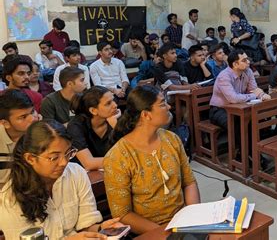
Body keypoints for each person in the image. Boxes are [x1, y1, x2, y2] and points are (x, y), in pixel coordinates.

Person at [0, 120, 123, 239]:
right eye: (54, 157)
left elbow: (86, 226)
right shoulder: (10, 198)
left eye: (68, 153)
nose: (64, 163)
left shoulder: (76, 173)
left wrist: (101, 228)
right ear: (30, 158)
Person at [104, 86, 200, 234]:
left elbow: (189, 182)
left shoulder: (171, 139)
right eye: (162, 104)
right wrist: (166, 233)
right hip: (149, 231)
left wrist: (193, 217)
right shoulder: (118, 156)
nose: (169, 106)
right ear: (146, 115)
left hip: (182, 222)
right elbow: (122, 214)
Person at [209, 49, 270, 141]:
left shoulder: (248, 71)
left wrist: (262, 95)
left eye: (247, 59)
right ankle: (245, 153)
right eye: (244, 60)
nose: (248, 62)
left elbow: (253, 89)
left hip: (239, 107)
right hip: (219, 110)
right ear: (235, 64)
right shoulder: (224, 76)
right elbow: (233, 98)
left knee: (256, 120)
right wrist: (253, 96)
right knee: (238, 125)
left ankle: (251, 151)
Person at [67, 86, 119, 171]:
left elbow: (134, 151)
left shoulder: (116, 120)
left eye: (113, 100)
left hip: (112, 170)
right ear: (93, 111)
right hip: (85, 176)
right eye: (108, 103)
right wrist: (125, 161)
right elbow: (89, 163)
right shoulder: (76, 126)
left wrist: (116, 127)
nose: (115, 105)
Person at [0, 90, 38, 188]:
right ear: (5, 123)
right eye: (23, 117)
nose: (32, 119)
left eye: (32, 112)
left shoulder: (41, 133)